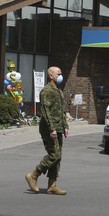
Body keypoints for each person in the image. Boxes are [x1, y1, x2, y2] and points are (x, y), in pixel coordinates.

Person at [25, 66, 69, 195]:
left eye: (61, 73)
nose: (61, 76)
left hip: (58, 128)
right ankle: (33, 175)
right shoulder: (46, 91)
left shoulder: (58, 90)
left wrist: (65, 126)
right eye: (58, 74)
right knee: (53, 155)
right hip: (49, 129)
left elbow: (61, 110)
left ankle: (52, 185)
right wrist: (52, 128)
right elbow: (45, 111)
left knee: (58, 157)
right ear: (51, 76)